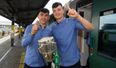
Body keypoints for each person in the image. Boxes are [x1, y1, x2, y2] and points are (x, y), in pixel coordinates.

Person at [49, 2, 94, 68]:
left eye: (59, 9)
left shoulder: (72, 21)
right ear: (53, 13)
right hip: (60, 63)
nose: (57, 12)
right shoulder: (51, 27)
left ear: (63, 10)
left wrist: (78, 16)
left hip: (74, 62)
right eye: (54, 11)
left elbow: (91, 28)